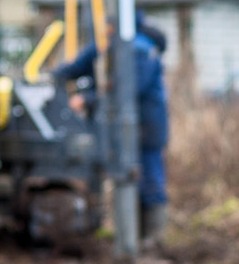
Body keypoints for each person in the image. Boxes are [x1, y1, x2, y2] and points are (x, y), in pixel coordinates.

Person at [53, 12, 170, 245]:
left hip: (146, 123)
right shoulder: (117, 45)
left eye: (109, 26)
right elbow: (82, 64)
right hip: (133, 123)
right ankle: (136, 234)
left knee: (148, 175)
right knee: (133, 173)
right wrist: (59, 76)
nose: (106, 30)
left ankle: (154, 237)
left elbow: (128, 90)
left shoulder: (138, 49)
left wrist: (88, 100)